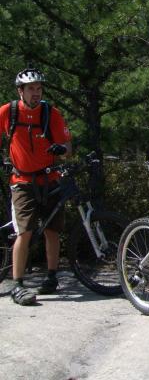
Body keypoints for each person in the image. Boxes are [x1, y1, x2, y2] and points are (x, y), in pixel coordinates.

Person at [0, 68, 72, 305]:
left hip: (50, 179)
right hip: (21, 182)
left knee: (53, 230)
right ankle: (18, 285)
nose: (35, 93)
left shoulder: (51, 113)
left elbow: (67, 146)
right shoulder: (8, 112)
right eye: (31, 89)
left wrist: (62, 150)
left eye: (39, 89)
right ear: (20, 91)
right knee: (25, 232)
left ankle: (51, 277)